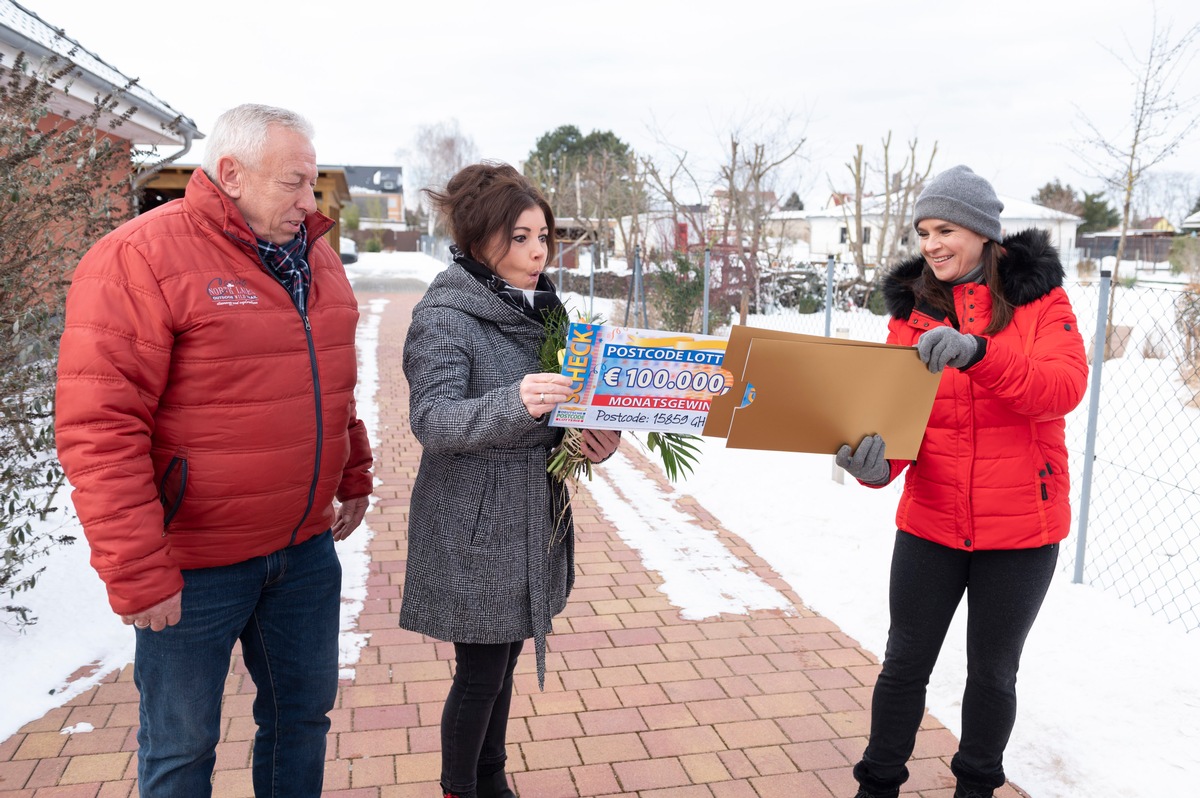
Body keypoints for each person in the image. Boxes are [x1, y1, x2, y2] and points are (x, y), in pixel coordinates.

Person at [55, 103, 373, 798]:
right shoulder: (140, 257)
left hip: (302, 556)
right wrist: (137, 570)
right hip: (194, 565)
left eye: (311, 183)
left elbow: (331, 380)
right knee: (181, 748)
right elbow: (99, 427)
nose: (307, 200)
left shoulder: (316, 258)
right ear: (230, 173)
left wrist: (352, 471)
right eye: (293, 182)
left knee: (302, 722)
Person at [835, 165, 1088, 798]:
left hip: (1022, 530)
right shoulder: (914, 313)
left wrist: (979, 354)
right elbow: (898, 421)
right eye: (923, 231)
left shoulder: (1041, 301)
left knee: (993, 675)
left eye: (945, 228)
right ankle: (878, 785)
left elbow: (1062, 387)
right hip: (932, 519)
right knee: (902, 666)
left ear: (982, 232)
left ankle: (976, 787)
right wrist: (875, 464)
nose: (932, 244)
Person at [401, 161, 621, 798]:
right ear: (479, 239)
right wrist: (516, 402)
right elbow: (433, 420)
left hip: (531, 518)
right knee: (480, 673)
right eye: (519, 237)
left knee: (505, 663)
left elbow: (562, 416)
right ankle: (459, 787)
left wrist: (590, 440)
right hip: (474, 524)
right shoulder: (446, 314)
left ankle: (491, 779)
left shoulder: (547, 313)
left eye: (543, 237)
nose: (535, 251)